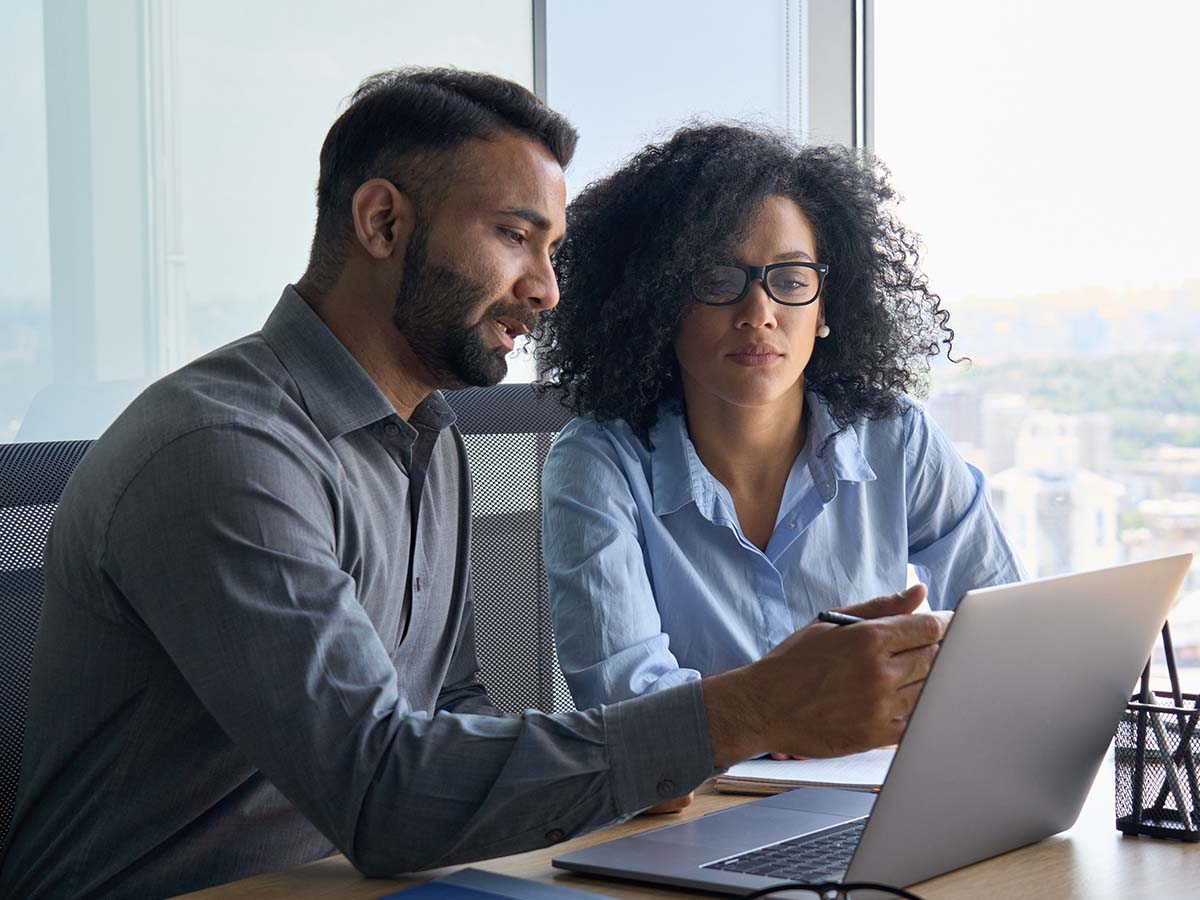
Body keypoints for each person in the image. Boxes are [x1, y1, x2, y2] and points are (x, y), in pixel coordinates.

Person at [0, 74, 949, 900]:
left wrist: (639, 759)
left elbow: (448, 708)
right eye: (514, 237)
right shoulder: (224, 452)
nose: (547, 289)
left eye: (551, 248)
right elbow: (382, 792)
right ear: (383, 222)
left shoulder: (428, 436)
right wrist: (745, 711)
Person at [538, 125, 1024, 760]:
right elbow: (633, 717)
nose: (759, 312)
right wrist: (783, 719)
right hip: (697, 816)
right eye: (718, 278)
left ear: (823, 308)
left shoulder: (895, 436)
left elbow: (1006, 636)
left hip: (876, 794)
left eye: (791, 280)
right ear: (658, 302)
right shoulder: (598, 464)